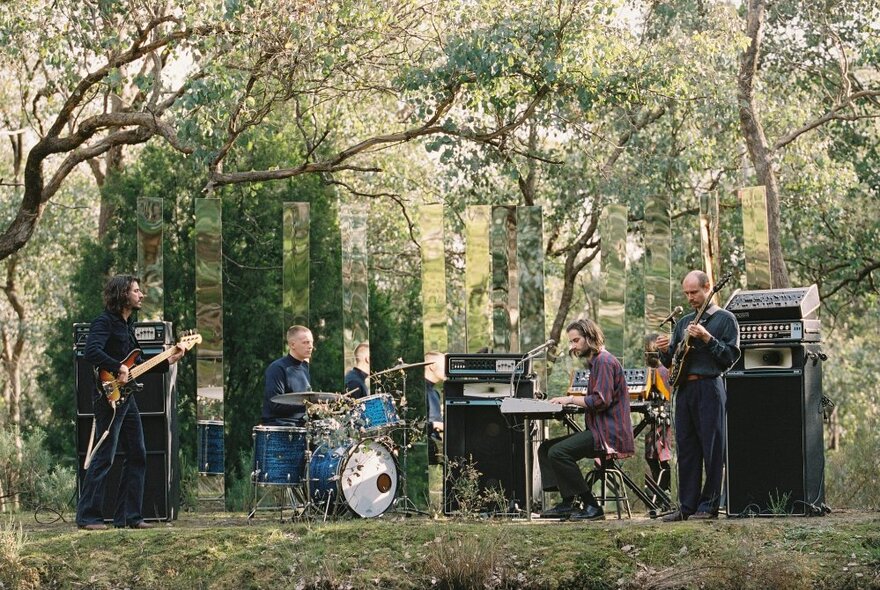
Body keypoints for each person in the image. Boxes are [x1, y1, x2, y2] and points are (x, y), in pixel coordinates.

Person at [76, 275, 187, 531]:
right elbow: (90, 351)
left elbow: (136, 365)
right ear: (122, 295)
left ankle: (128, 516)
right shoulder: (104, 322)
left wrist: (170, 359)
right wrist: (117, 367)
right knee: (105, 456)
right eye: (136, 291)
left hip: (127, 398)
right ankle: (88, 517)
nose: (141, 295)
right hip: (109, 399)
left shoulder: (128, 326)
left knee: (138, 454)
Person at [656, 270, 740, 521]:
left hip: (709, 387)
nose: (690, 297)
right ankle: (687, 506)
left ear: (708, 288)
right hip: (685, 391)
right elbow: (673, 358)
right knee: (687, 448)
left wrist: (707, 337)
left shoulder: (725, 319)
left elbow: (730, 359)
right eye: (686, 293)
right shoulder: (683, 323)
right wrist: (662, 351)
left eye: (694, 292)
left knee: (712, 448)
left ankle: (709, 505)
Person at [538, 318, 634, 521]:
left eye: (576, 341)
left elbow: (601, 400)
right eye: (571, 342)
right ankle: (569, 503)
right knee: (546, 449)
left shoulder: (604, 361)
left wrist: (570, 399)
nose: (573, 346)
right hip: (600, 430)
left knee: (558, 452)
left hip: (609, 434)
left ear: (590, 337)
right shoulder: (596, 363)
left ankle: (592, 506)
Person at [262, 325, 314, 426]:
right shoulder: (277, 368)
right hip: (281, 429)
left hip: (301, 427)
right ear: (292, 345)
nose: (310, 346)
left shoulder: (304, 368)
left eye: (311, 342)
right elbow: (275, 404)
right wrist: (308, 405)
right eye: (306, 342)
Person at [643, 334, 672, 497]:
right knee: (653, 457)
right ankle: (661, 492)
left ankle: (663, 492)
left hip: (663, 422)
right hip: (656, 422)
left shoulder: (661, 371)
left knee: (660, 458)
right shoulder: (656, 371)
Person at [424, 351, 445, 465]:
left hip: (436, 443)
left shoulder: (434, 392)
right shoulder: (419, 392)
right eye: (444, 364)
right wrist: (436, 425)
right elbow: (414, 425)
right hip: (426, 445)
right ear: (432, 366)